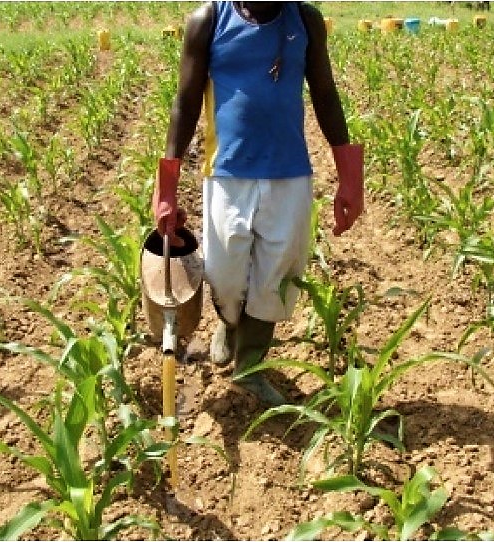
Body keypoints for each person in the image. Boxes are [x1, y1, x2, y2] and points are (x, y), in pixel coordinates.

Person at [152, 1, 364, 406]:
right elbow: (186, 102)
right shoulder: (208, 20)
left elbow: (325, 93)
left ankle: (250, 367)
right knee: (224, 272)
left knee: (278, 272)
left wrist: (350, 178)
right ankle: (231, 325)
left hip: (290, 172)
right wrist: (166, 186)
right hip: (228, 170)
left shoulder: (305, 21)